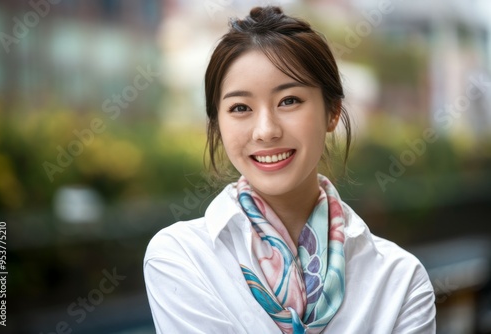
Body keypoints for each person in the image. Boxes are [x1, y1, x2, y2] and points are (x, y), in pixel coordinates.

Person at [144, 6, 436, 334]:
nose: (266, 130)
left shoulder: (401, 281)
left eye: (289, 101)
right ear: (217, 124)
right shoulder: (181, 257)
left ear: (332, 111)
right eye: (240, 108)